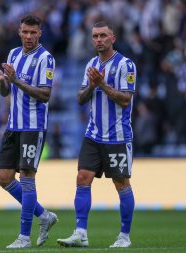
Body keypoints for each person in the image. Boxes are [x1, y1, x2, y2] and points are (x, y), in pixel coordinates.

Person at [57, 21, 136, 248]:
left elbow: (125, 99)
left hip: (118, 136)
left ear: (113, 38)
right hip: (93, 134)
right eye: (95, 36)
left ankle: (124, 236)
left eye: (103, 35)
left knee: (121, 183)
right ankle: (81, 233)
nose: (99, 40)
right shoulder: (91, 64)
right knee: (83, 178)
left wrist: (101, 84)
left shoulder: (125, 65)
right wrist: (92, 85)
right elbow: (81, 99)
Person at [0, 15, 58, 249]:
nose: (28, 36)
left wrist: (15, 80)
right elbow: (5, 92)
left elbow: (45, 94)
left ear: (40, 33)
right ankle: (44, 216)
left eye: (33, 32)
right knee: (3, 178)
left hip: (33, 126)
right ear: (19, 31)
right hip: (13, 125)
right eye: (25, 32)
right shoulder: (13, 55)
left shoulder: (46, 59)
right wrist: (2, 80)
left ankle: (24, 237)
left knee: (27, 178)